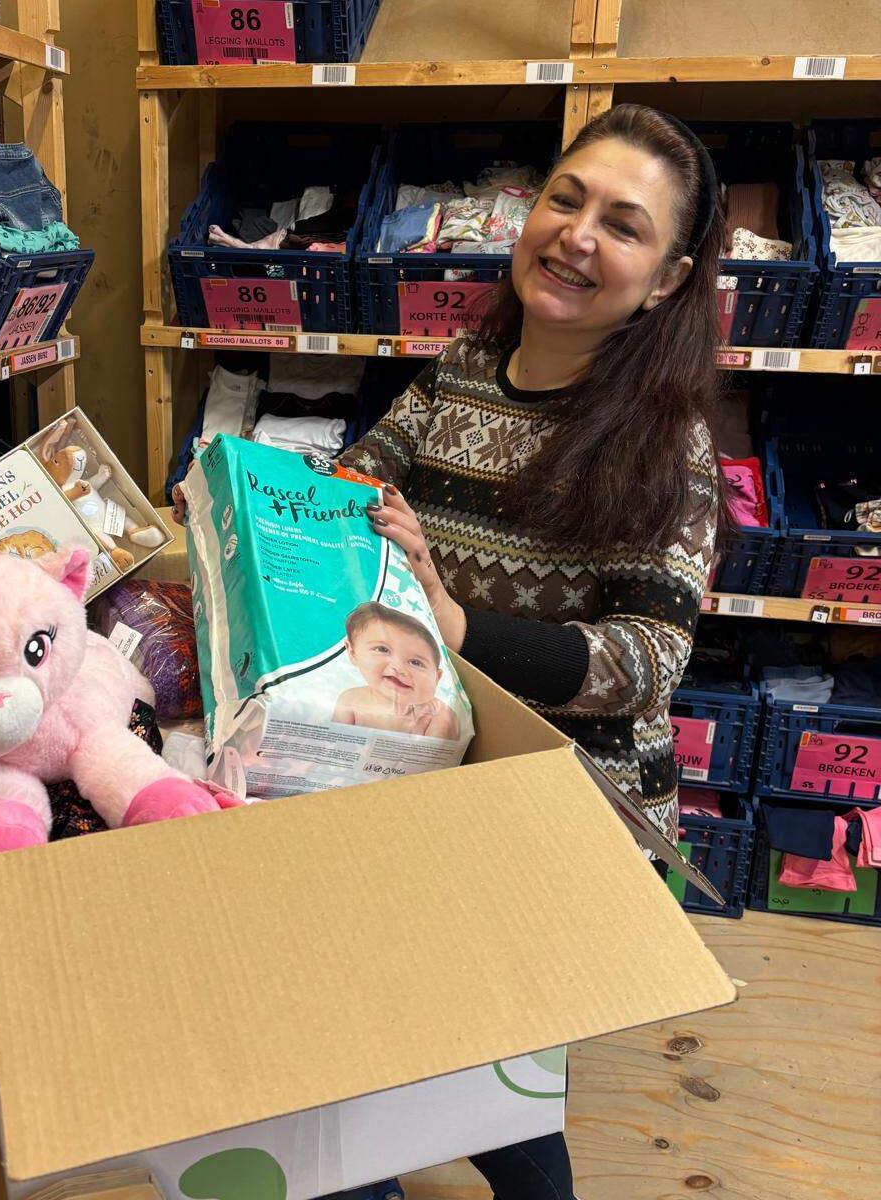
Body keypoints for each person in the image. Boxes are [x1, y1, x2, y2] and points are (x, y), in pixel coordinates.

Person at [173, 102, 725, 1200]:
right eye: (565, 200)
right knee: (437, 1045)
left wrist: (457, 624)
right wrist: (252, 514)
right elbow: (358, 482)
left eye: (624, 226)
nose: (576, 235)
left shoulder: (668, 441)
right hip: (434, 741)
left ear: (664, 279)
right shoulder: (466, 365)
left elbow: (646, 662)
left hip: (571, 797)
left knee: (415, 1031)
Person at [332, 601, 460, 738]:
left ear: (437, 678)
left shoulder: (439, 716)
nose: (398, 668)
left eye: (416, 662)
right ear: (352, 652)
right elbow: (332, 744)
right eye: (382, 649)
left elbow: (442, 756)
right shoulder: (351, 701)